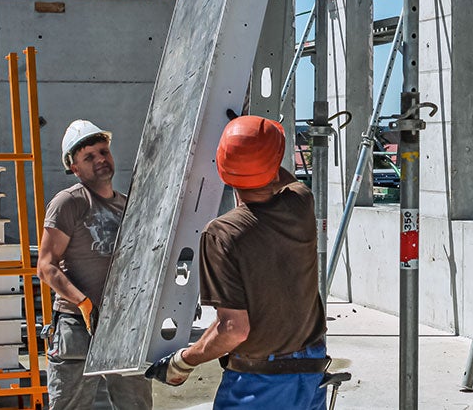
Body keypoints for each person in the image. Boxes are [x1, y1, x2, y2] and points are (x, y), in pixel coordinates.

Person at [145, 115, 329, 409]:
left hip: (259, 384)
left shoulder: (222, 234)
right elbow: (283, 177)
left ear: (221, 168)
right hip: (310, 371)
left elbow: (233, 329)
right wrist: (253, 146)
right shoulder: (301, 204)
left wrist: (183, 362)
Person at [39, 119, 153, 410]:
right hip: (77, 325)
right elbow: (46, 266)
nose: (100, 159)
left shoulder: (129, 205)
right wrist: (83, 303)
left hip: (122, 326)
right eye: (88, 157)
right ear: (74, 168)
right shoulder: (69, 203)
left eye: (103, 151)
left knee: (136, 406)